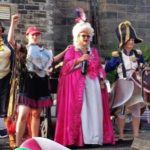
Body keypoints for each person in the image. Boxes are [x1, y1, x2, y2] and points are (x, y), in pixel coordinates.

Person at [54, 8, 115, 146]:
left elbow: (99, 67)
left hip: (93, 85)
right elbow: (65, 68)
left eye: (88, 36)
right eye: (83, 36)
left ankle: (94, 138)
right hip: (77, 87)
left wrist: (101, 79)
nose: (86, 38)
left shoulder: (93, 51)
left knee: (94, 110)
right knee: (83, 112)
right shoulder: (71, 50)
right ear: (77, 36)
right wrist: (80, 59)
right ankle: (82, 139)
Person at [8, 14, 67, 147]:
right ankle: (18, 146)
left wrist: (64, 52)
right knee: (23, 115)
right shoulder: (24, 49)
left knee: (36, 115)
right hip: (27, 84)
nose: (35, 36)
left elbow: (53, 61)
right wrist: (12, 23)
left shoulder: (44, 52)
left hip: (40, 84)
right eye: (32, 34)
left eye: (37, 34)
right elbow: (10, 40)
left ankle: (34, 145)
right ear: (27, 36)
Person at [105, 20, 145, 141]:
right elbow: (107, 68)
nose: (132, 42)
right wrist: (112, 61)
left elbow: (143, 67)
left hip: (136, 85)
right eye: (130, 39)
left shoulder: (138, 54)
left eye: (133, 40)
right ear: (124, 42)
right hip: (122, 86)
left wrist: (142, 67)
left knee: (136, 109)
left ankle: (136, 136)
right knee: (121, 110)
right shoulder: (118, 55)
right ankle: (121, 136)